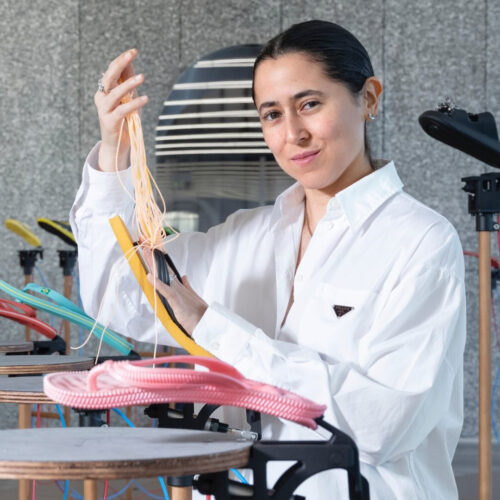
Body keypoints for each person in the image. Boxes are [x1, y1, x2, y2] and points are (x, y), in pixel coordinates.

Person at [71, 20, 466, 499]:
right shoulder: (246, 235)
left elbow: (383, 425)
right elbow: (118, 298)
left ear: (368, 99)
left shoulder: (420, 242)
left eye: (310, 104)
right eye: (272, 114)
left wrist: (214, 328)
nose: (293, 133)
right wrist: (114, 152)